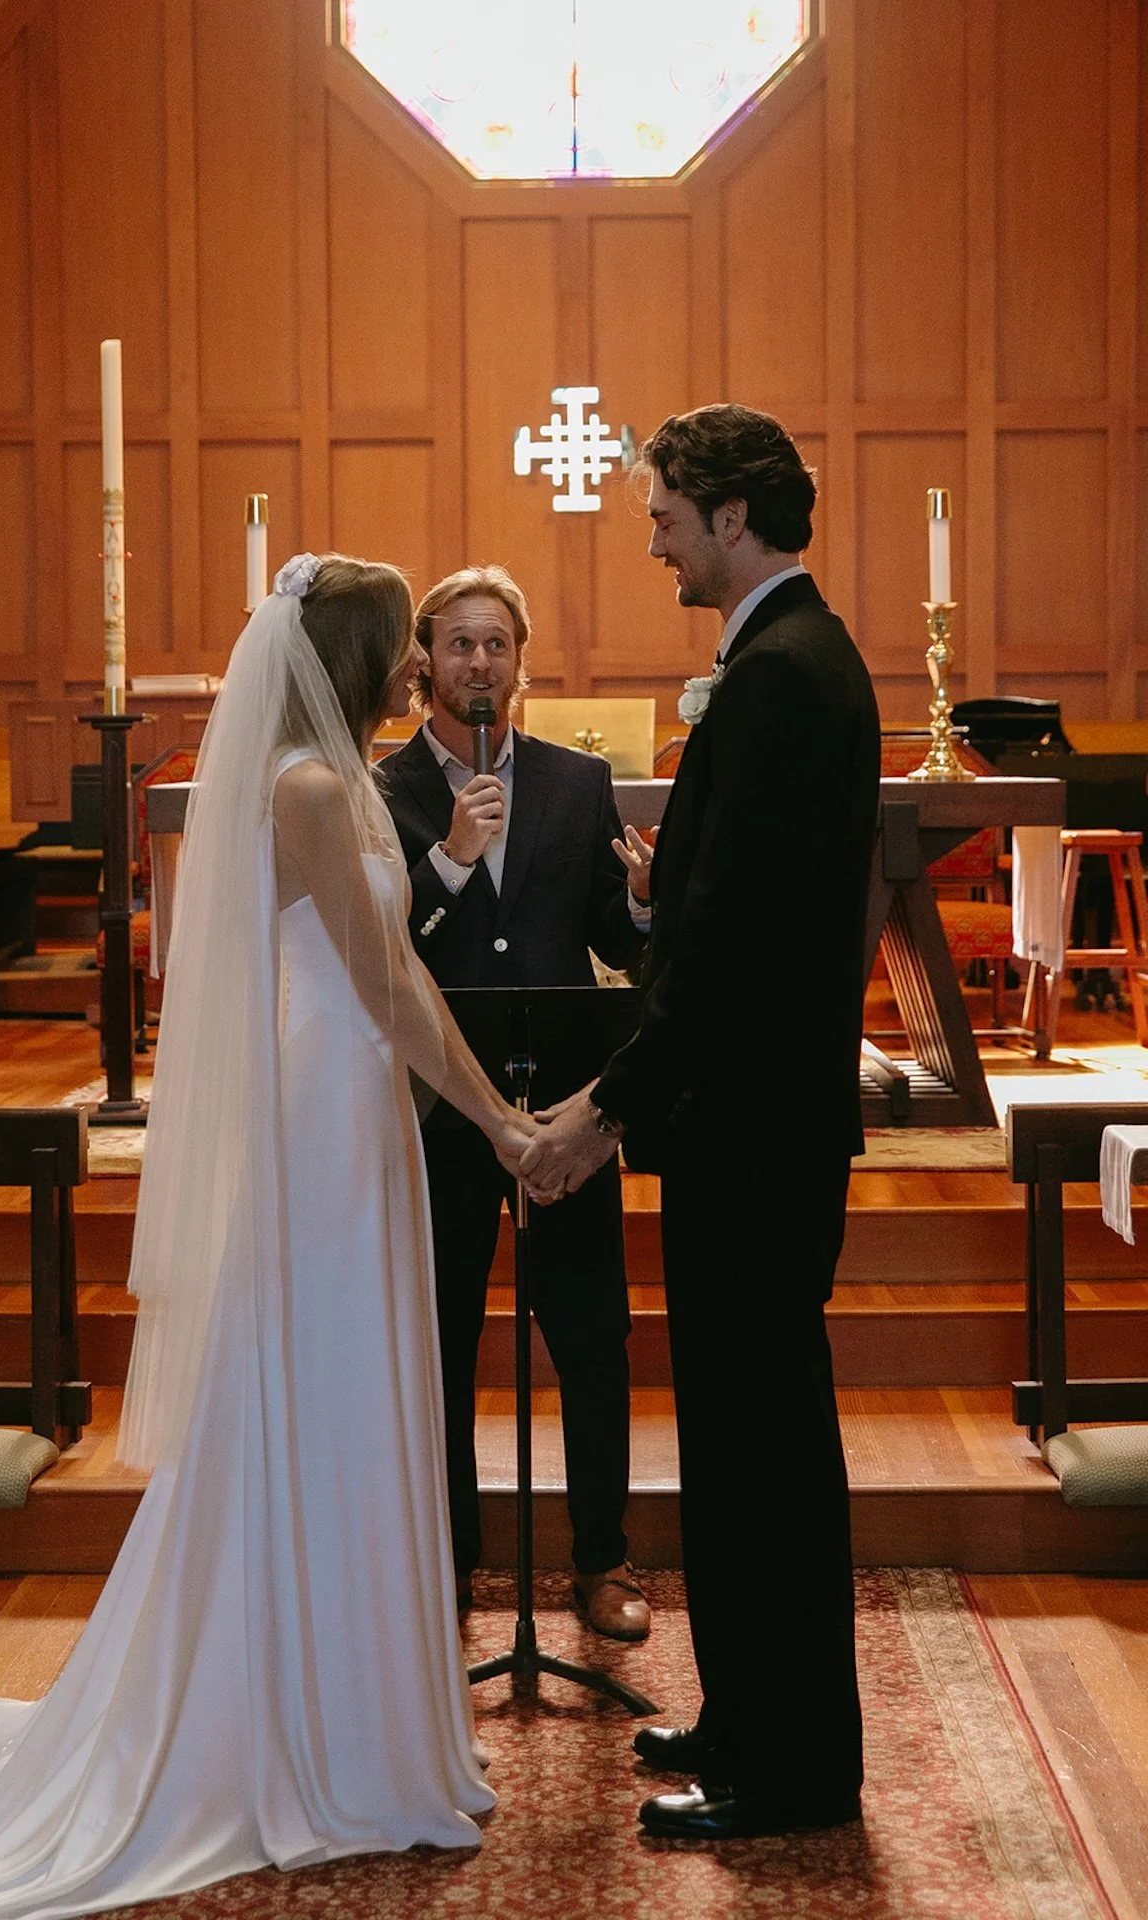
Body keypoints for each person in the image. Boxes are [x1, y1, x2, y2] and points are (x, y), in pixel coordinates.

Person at [0, 554, 536, 1918]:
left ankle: (354, 1710)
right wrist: (508, 1128)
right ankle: (301, 1729)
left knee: (355, 1403)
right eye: (404, 648)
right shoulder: (303, 790)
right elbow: (390, 985)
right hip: (324, 1129)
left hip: (359, 1117)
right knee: (323, 1397)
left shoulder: (344, 779)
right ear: (353, 663)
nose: (423, 666)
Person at [521, 405, 881, 1840]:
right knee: (738, 1443)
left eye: (666, 510)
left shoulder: (786, 674)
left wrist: (607, 1107)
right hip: (750, 1123)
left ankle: (789, 1773)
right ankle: (748, 1719)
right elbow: (748, 913)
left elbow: (737, 956)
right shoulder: (791, 659)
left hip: (752, 1128)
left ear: (733, 517)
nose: (653, 534)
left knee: (764, 1450)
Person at [380, 566, 655, 1640]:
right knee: (439, 1339)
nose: (478, 664)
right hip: (439, 1106)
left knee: (591, 1336)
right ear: (423, 663)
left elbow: (615, 946)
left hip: (563, 1118)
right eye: (458, 645)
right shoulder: (385, 789)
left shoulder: (574, 784)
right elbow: (378, 955)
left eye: (496, 645)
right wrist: (449, 862)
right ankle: (447, 1563)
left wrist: (634, 901)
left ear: (521, 662)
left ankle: (602, 1562)